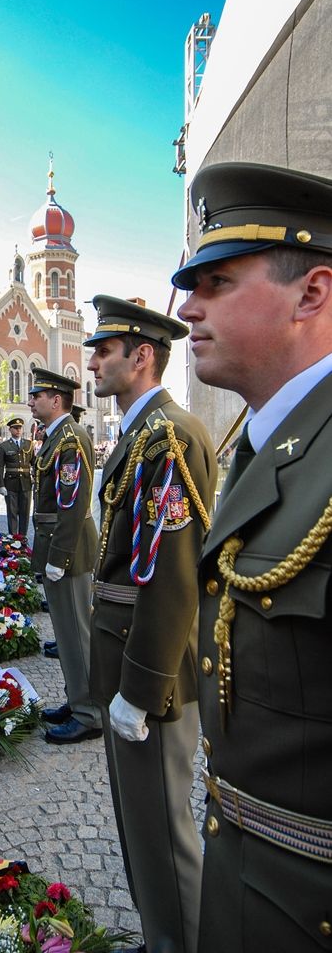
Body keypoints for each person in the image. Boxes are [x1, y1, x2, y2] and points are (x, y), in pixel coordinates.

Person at [172, 161, 332, 953]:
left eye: (216, 283)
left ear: (312, 294)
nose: (187, 309)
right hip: (246, 874)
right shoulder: (263, 439)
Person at [84, 295, 217, 953]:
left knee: (163, 828)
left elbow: (173, 575)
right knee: (140, 820)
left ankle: (178, 941)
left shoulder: (168, 434)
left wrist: (142, 686)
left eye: (104, 351)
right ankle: (161, 935)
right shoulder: (141, 433)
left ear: (140, 357)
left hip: (151, 670)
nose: (92, 362)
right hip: (126, 653)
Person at [28, 369, 102, 745]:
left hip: (67, 546)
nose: (30, 400)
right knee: (67, 632)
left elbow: (72, 505)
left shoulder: (70, 438)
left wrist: (58, 556)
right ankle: (78, 700)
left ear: (56, 400)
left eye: (36, 395)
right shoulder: (56, 435)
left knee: (76, 633)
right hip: (57, 542)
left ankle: (90, 713)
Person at [0, 417, 34, 535]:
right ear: (10, 430)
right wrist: (1, 485)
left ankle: (22, 539)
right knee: (12, 513)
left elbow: (34, 462)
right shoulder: (4, 446)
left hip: (26, 483)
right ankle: (13, 539)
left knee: (25, 513)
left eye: (20, 428)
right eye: (15, 428)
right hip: (10, 483)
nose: (18, 430)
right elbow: (0, 467)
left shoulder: (29, 444)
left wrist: (36, 480)